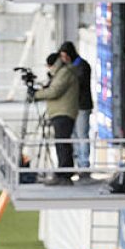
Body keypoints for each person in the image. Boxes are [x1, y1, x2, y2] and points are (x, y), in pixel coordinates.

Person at [32, 53, 78, 186]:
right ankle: (63, 172)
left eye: (49, 66)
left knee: (62, 143)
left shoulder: (64, 73)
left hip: (63, 113)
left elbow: (55, 91)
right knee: (60, 143)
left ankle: (64, 174)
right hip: (60, 112)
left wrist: (36, 94)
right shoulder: (61, 73)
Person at [58, 42, 93, 180]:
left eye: (65, 56)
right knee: (74, 136)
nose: (64, 59)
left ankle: (84, 165)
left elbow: (78, 84)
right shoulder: (70, 67)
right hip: (72, 106)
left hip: (82, 106)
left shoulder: (82, 66)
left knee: (82, 135)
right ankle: (78, 163)